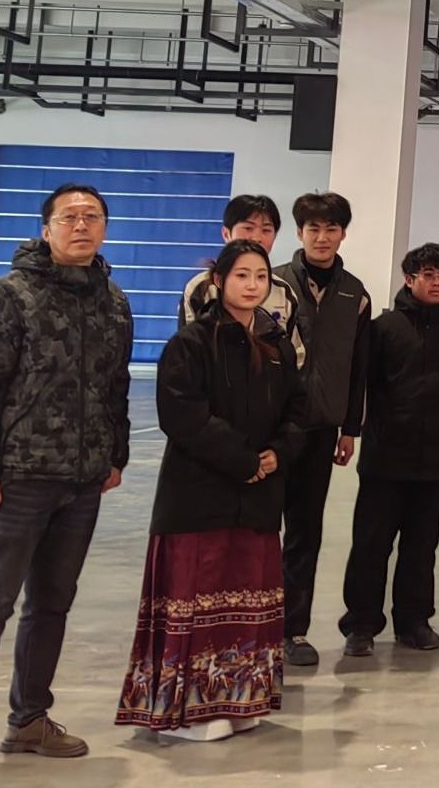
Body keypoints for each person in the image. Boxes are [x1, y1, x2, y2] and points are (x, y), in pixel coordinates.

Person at [0, 183, 132, 784]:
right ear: (46, 229)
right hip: (18, 479)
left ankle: (29, 719)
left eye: (92, 216)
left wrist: (114, 455)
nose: (82, 226)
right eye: (69, 217)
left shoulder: (113, 301)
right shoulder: (9, 297)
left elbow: (116, 388)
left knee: (51, 605)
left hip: (81, 482)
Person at [117, 240, 305, 741]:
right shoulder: (191, 343)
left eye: (260, 276)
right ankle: (187, 711)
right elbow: (182, 415)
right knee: (197, 599)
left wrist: (278, 452)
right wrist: (243, 460)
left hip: (258, 498)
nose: (252, 285)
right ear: (219, 281)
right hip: (198, 496)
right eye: (241, 275)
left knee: (248, 597)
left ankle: (240, 699)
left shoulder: (277, 345)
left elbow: (299, 411)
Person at [340, 244, 439, 656]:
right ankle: (361, 625)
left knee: (422, 545)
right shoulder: (383, 329)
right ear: (409, 278)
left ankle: (414, 621)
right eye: (428, 275)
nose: (437, 283)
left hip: (438, 456)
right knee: (371, 544)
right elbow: (365, 384)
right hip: (386, 456)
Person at [276, 191, 372, 667]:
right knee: (258, 530)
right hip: (271, 430)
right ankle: (251, 627)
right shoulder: (273, 283)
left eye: (331, 228)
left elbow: (358, 366)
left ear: (342, 234)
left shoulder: (356, 293)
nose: (322, 237)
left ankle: (293, 630)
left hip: (320, 432)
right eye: (313, 228)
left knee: (304, 532)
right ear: (299, 232)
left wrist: (350, 427)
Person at [177, 194, 303, 365]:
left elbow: (295, 355)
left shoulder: (283, 291)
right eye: (248, 228)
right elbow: (187, 351)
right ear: (226, 233)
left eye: (266, 230)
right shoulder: (201, 288)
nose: (257, 238)